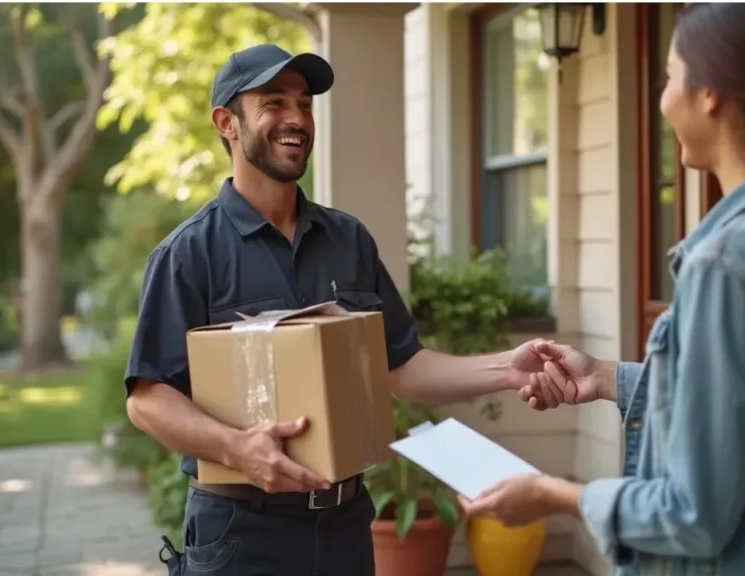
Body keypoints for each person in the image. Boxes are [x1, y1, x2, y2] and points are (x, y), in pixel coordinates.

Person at [465, 4, 745, 574]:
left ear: (711, 94)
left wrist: (553, 493)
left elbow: (693, 514)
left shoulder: (727, 263)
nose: (664, 98)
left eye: (670, 76)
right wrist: (604, 378)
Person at [123, 43, 553, 576]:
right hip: (242, 532)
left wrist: (506, 368)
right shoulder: (190, 253)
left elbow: (399, 366)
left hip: (346, 525)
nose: (296, 118)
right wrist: (238, 449)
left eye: (304, 104)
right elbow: (146, 398)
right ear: (227, 123)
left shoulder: (348, 238)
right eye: (274, 102)